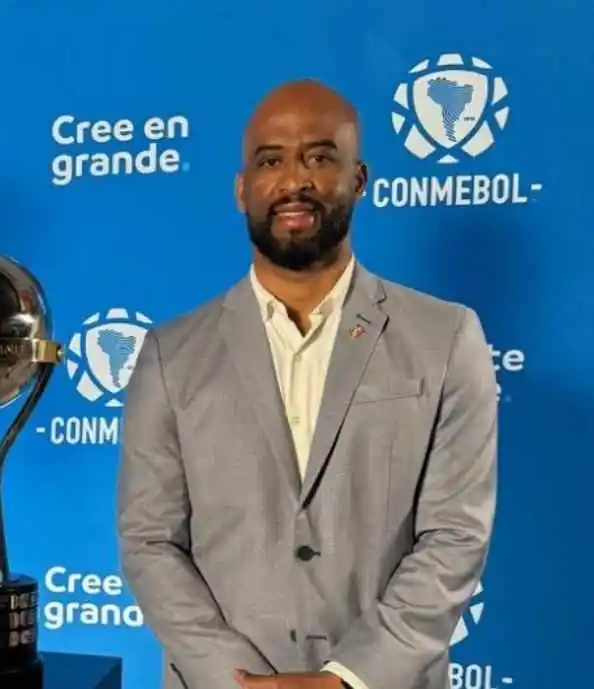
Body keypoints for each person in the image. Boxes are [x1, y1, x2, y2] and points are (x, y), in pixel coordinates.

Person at [116, 79, 498, 689]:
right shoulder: (171, 354)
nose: (294, 179)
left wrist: (348, 677)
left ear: (359, 178)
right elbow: (150, 542)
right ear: (243, 191)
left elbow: (455, 537)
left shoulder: (446, 338)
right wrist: (232, 678)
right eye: (271, 160)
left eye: (320, 157)